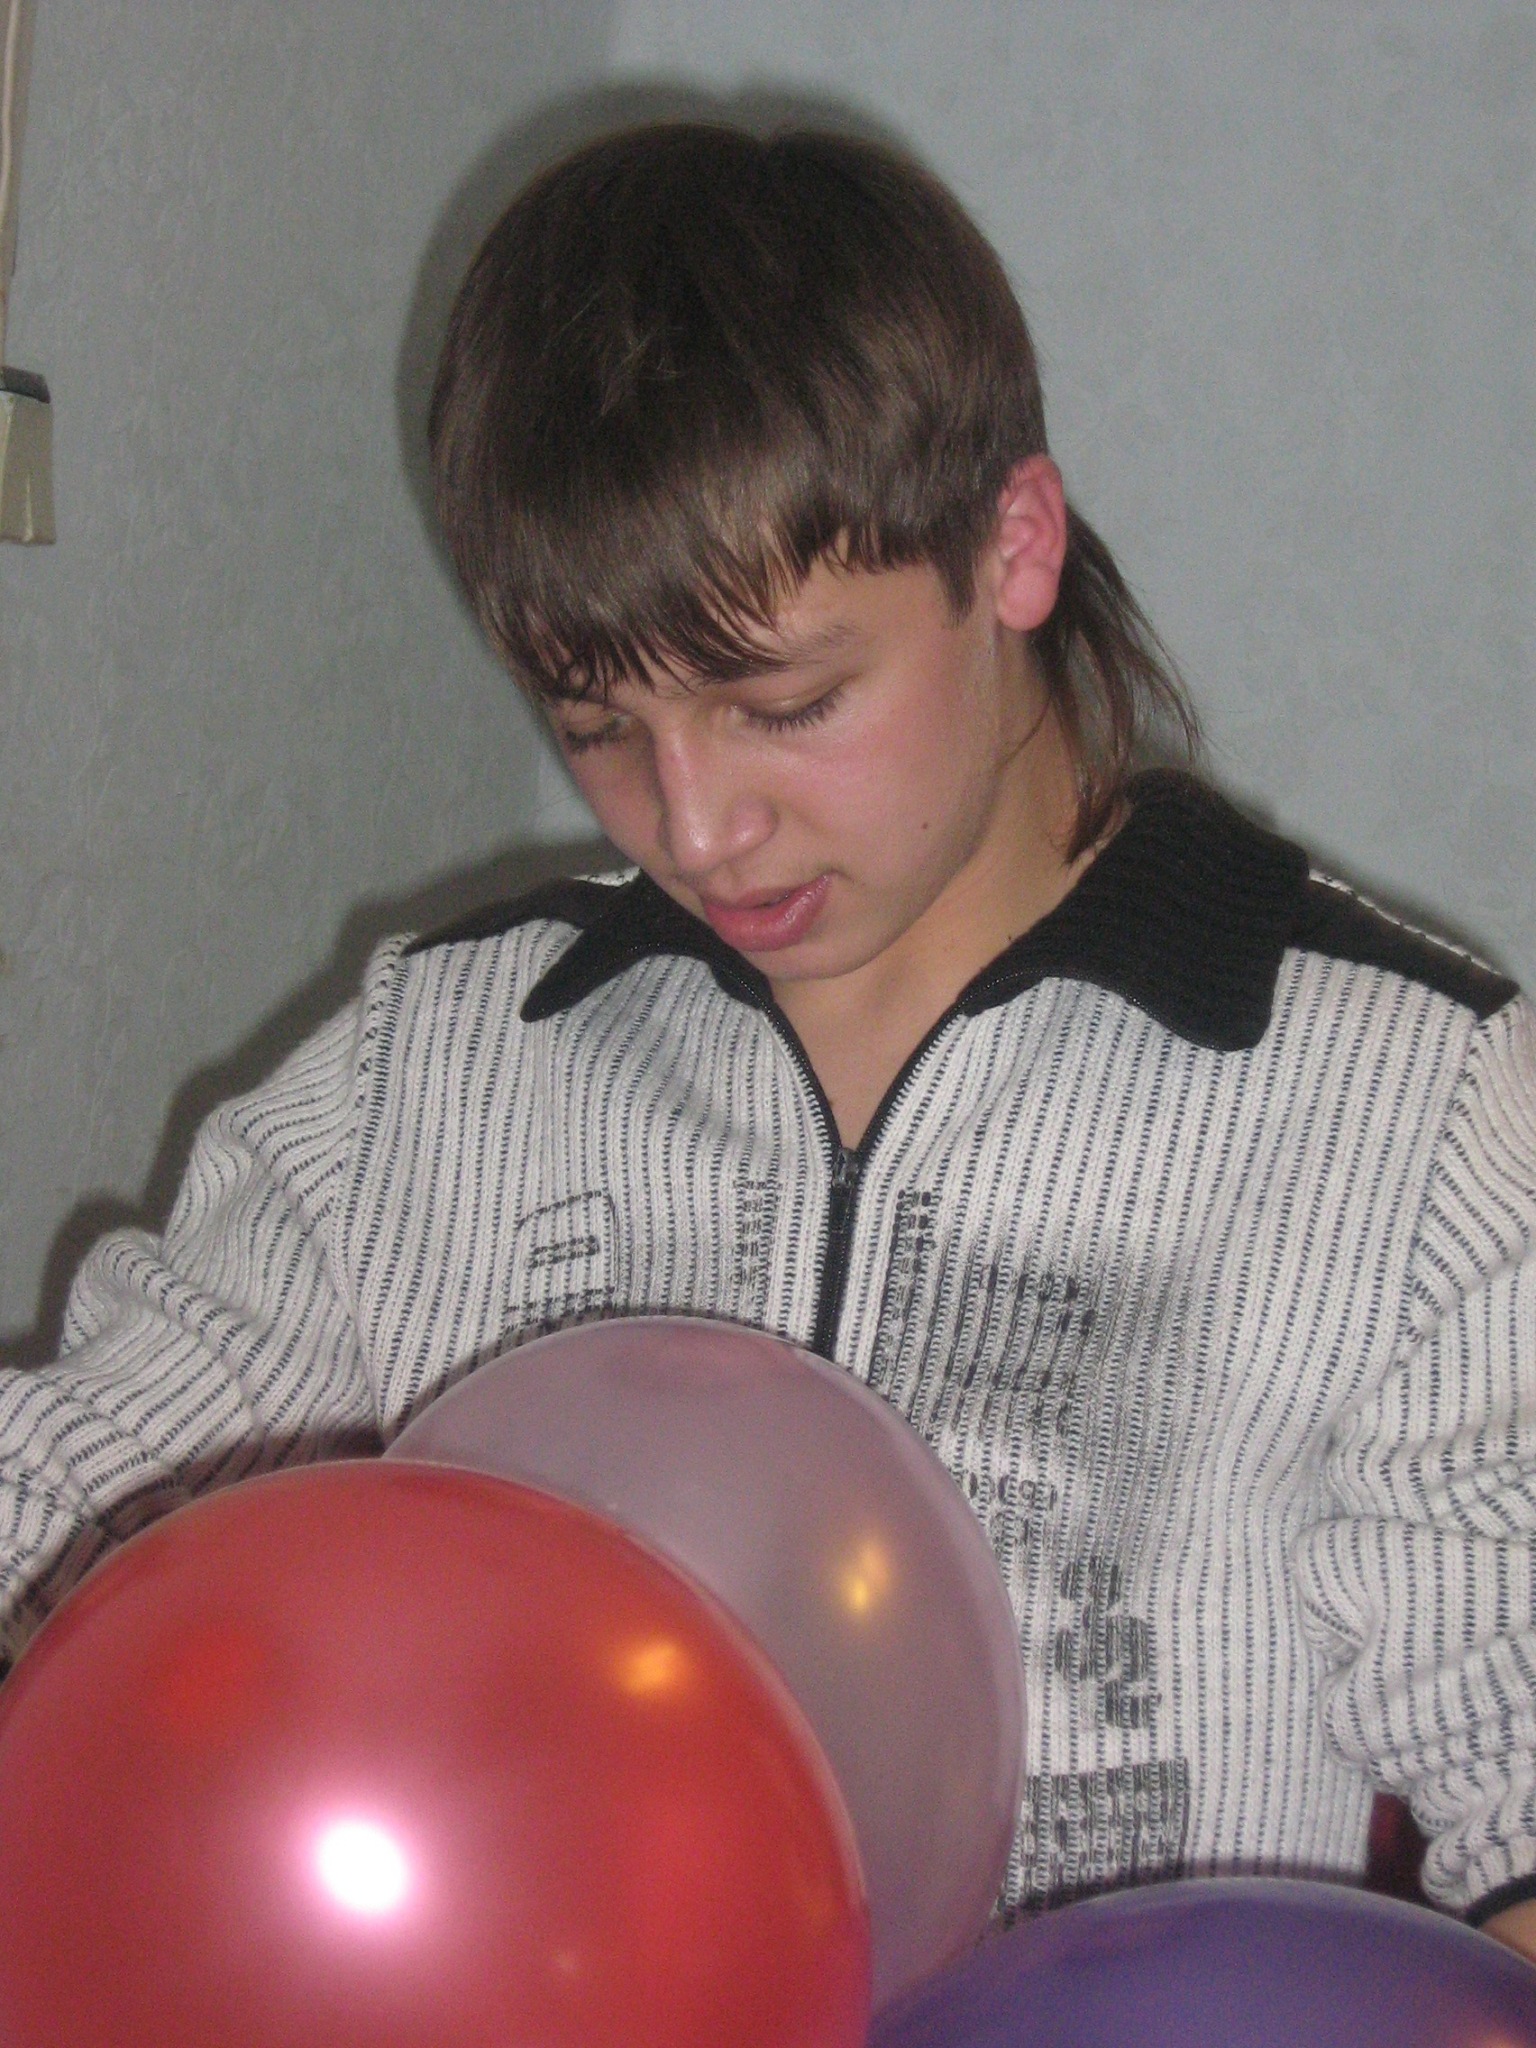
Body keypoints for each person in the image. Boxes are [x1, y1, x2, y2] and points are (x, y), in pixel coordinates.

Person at [3, 122, 1534, 1955]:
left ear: (1014, 547)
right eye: (596, 728)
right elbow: (55, 1518)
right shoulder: (446, 1062)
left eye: (785, 702)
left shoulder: (1420, 1109)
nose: (697, 825)